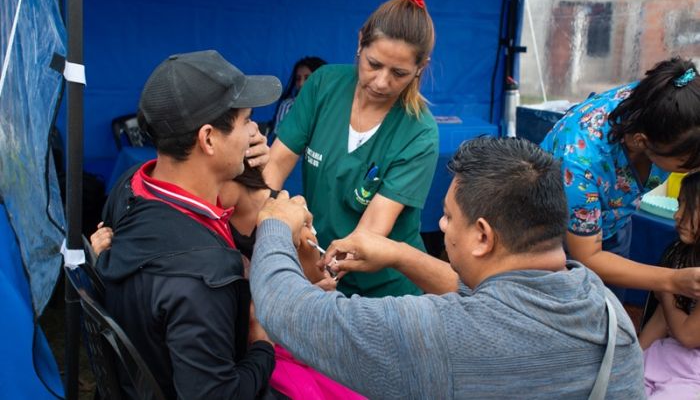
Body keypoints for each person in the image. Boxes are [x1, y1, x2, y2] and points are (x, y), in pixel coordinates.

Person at [250, 137, 645, 398]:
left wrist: (274, 223)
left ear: (483, 236)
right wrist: (400, 254)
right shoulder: (610, 314)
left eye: (448, 217)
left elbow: (288, 310)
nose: (440, 227)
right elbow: (501, 301)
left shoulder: (439, 335)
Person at [94, 50, 282, 399]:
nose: (256, 132)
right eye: (246, 121)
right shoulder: (202, 277)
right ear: (208, 138)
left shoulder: (131, 183)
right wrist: (260, 343)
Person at [264, 0, 439, 298]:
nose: (382, 82)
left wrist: (310, 268)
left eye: (398, 73)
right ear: (360, 43)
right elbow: (274, 166)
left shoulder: (419, 132)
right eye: (373, 65)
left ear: (420, 68)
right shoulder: (323, 85)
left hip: (386, 289)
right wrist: (261, 228)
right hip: (320, 270)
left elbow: (370, 233)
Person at [541, 57, 700, 299]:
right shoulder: (579, 163)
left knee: (612, 304)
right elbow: (589, 257)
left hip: (614, 220)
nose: (694, 169)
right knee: (574, 310)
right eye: (687, 164)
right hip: (556, 233)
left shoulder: (667, 98)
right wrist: (672, 280)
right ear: (642, 142)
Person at [638, 171, 700, 398]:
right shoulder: (680, 252)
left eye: (690, 208)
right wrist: (632, 359)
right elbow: (663, 317)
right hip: (665, 356)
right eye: (679, 204)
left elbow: (689, 336)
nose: (677, 215)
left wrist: (666, 288)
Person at [269, 56, 327, 138]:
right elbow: (280, 138)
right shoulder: (288, 106)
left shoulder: (331, 105)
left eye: (307, 78)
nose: (301, 83)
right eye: (298, 79)